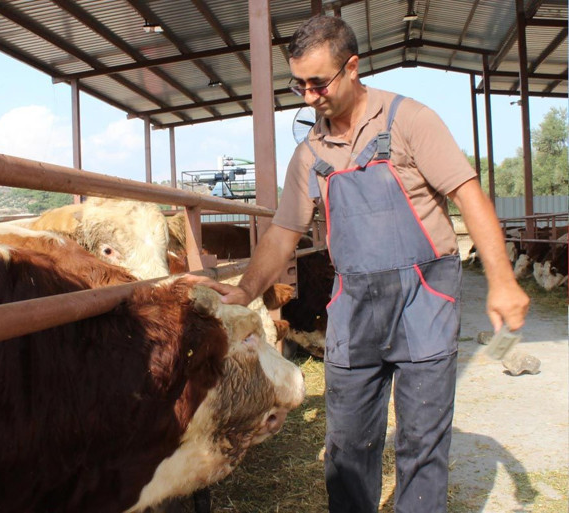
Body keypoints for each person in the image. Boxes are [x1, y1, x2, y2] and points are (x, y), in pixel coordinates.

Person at [200, 14, 530, 513]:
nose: (309, 96)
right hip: (354, 306)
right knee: (348, 445)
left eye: (318, 82)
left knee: (420, 442)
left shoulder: (409, 120)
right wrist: (244, 291)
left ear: (352, 68)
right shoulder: (310, 153)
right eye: (299, 84)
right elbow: (284, 232)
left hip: (425, 296)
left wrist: (504, 282)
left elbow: (469, 195)